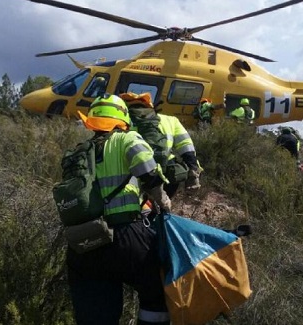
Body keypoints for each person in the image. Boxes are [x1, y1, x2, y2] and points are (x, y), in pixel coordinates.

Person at [67, 94, 171, 325]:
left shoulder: (77, 153)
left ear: (91, 120)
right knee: (156, 294)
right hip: (126, 237)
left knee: (96, 312)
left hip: (84, 242)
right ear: (123, 118)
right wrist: (162, 199)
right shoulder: (128, 139)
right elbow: (149, 172)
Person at [120, 92, 203, 198]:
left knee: (138, 209)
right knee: (160, 209)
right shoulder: (170, 120)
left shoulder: (123, 122)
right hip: (167, 176)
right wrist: (193, 169)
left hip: (134, 177)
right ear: (149, 105)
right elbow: (186, 146)